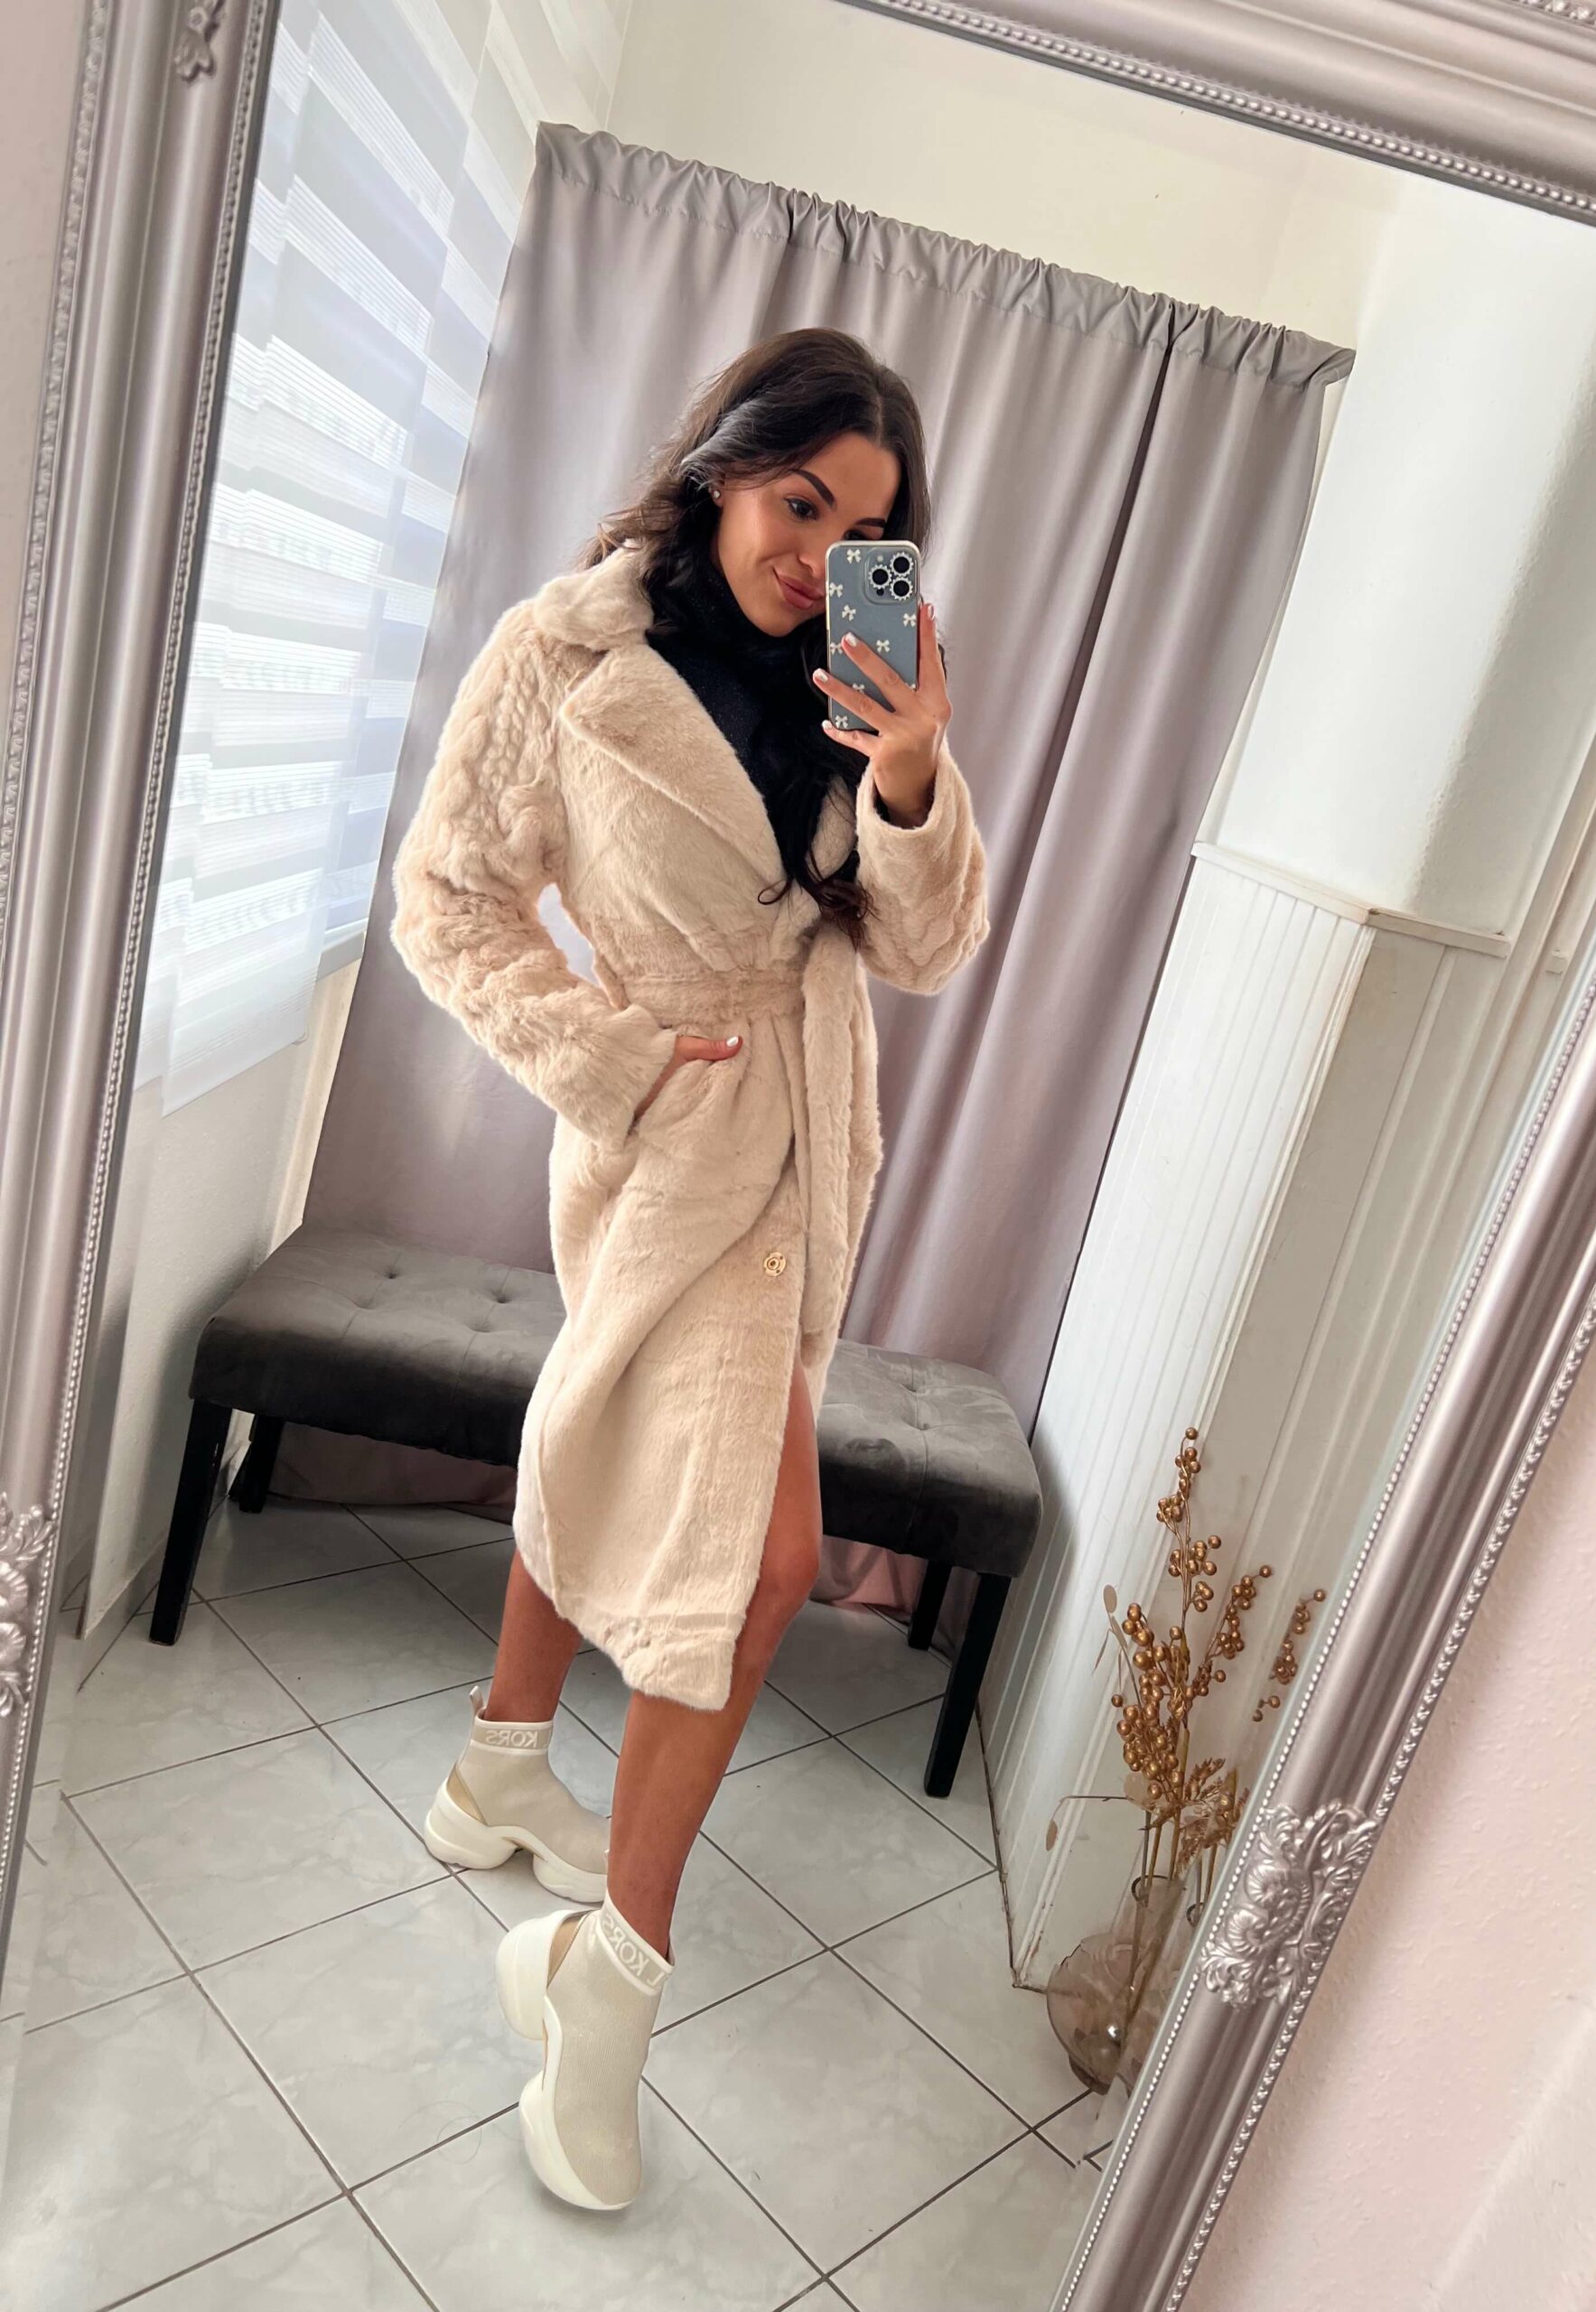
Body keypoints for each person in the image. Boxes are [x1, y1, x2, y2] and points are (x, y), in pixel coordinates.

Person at [388, 325, 989, 2209]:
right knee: (757, 1559)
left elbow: (921, 950)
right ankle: (607, 1982)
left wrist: (913, 772)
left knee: (635, 1453)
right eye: (801, 500)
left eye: (867, 530)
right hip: (667, 1132)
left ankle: (498, 1767)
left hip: (808, 1144)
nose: (822, 554)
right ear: (727, 464)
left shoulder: (854, 682)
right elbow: (446, 901)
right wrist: (616, 1060)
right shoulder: (562, 660)